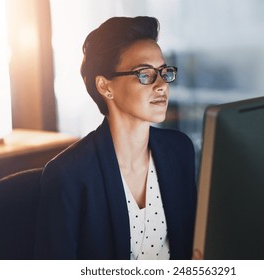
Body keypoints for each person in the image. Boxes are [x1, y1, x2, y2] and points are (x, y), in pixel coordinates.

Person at [34, 16, 197, 260]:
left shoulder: (179, 150)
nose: (162, 85)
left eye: (164, 72)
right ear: (105, 86)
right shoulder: (69, 174)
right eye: (145, 74)